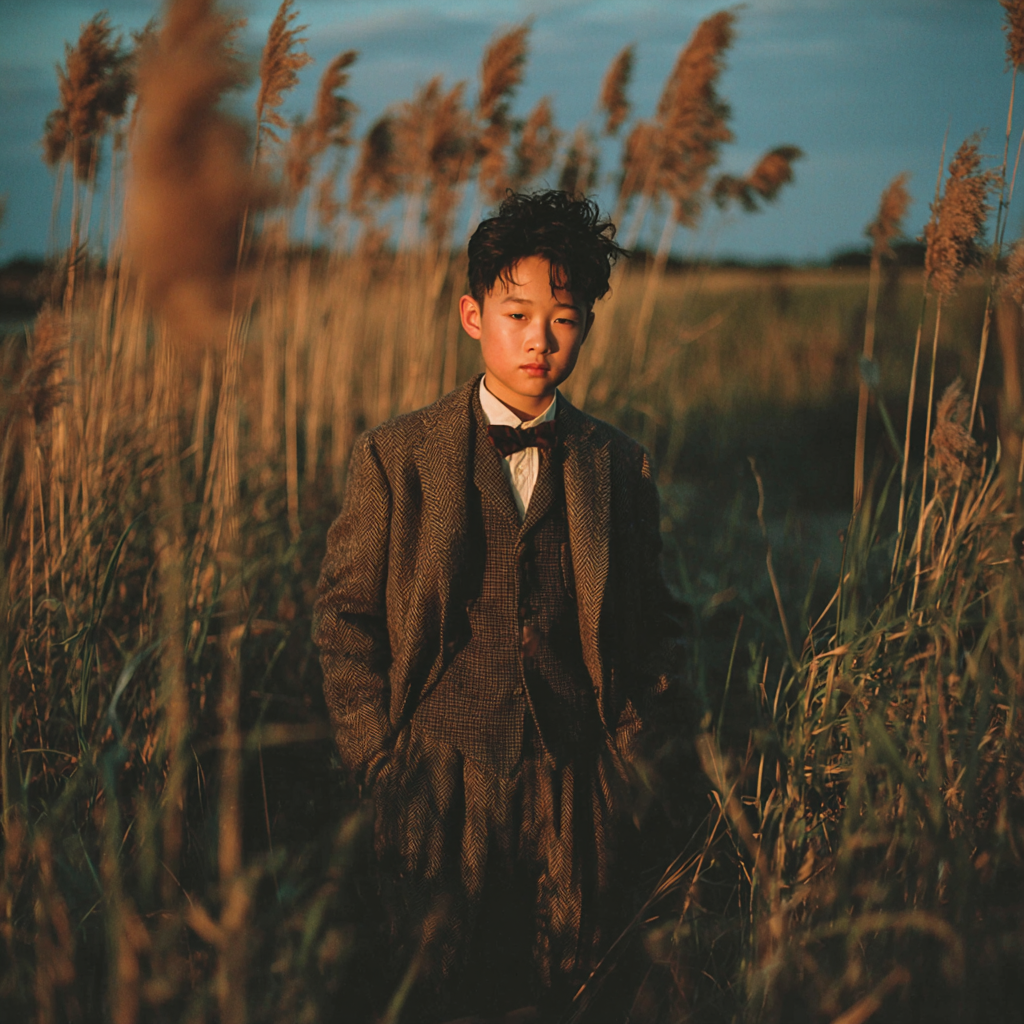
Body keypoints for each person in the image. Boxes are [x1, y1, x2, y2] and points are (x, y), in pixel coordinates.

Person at [314, 190, 687, 1021]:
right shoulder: (396, 457)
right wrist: (378, 758)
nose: (539, 339)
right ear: (472, 314)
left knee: (570, 986)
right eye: (517, 313)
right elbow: (344, 622)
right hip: (438, 779)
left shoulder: (618, 466)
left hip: (577, 780)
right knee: (439, 985)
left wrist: (630, 761)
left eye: (564, 319)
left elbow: (656, 625)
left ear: (586, 325)